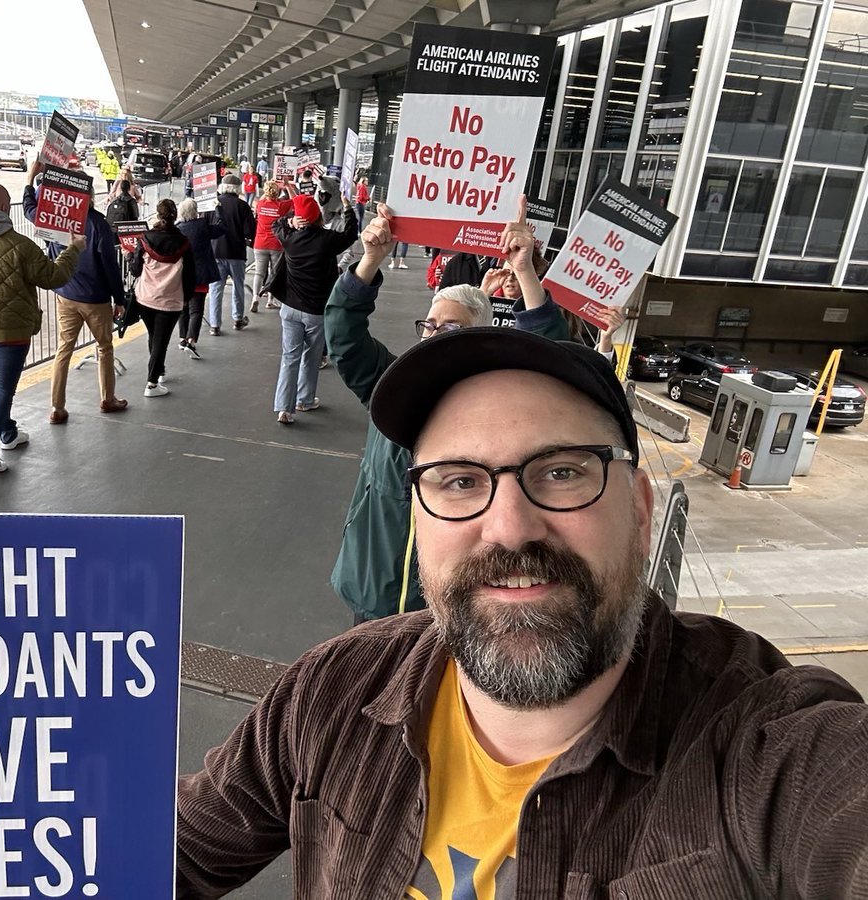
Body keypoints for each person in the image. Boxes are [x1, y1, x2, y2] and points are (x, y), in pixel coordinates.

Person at [175, 321, 868, 897]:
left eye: (562, 471)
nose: (508, 528)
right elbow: (164, 856)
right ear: (419, 516)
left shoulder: (766, 750)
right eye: (459, 481)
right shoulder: (332, 690)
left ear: (639, 510)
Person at [327, 199, 568, 623]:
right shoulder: (392, 386)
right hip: (373, 587)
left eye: (451, 327)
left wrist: (525, 272)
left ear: (479, 336)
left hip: (451, 602)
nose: (435, 334)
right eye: (430, 325)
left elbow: (555, 360)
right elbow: (344, 337)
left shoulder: (500, 408)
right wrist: (370, 260)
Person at [0, 183, 82, 472]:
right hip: (12, 329)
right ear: (4, 208)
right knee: (2, 387)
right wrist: (73, 250)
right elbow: (53, 276)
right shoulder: (20, 245)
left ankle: (8, 434)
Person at [22, 161, 128, 424]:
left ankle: (57, 408)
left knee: (64, 350)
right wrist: (119, 298)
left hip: (66, 294)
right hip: (96, 298)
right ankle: (107, 399)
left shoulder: (54, 220)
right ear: (89, 195)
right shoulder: (98, 224)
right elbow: (110, 266)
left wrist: (30, 180)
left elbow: (29, 209)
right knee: (104, 347)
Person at [269, 192, 357, 424]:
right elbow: (350, 234)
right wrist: (348, 208)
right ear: (318, 216)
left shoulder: (289, 237)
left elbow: (275, 224)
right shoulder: (326, 240)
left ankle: (284, 408)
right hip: (315, 311)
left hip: (289, 308)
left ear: (299, 218)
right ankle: (304, 400)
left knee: (290, 357)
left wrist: (290, 221)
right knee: (311, 356)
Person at [130, 198, 195, 397]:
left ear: (158, 215)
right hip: (171, 300)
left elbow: (135, 270)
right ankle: (152, 383)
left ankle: (159, 372)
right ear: (175, 216)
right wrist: (187, 298)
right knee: (161, 340)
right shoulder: (184, 243)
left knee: (154, 336)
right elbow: (190, 275)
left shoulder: (145, 239)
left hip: (145, 298)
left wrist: (129, 256)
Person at [207, 173, 255, 335]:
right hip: (236, 252)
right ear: (237, 188)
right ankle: (238, 319)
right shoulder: (243, 206)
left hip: (215, 251)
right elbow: (249, 231)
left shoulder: (213, 203)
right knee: (238, 286)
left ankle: (215, 325)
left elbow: (206, 225)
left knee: (215, 289)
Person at [177, 197, 223, 360]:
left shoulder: (178, 229)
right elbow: (221, 228)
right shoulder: (202, 225)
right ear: (195, 211)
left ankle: (182, 338)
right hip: (200, 274)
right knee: (196, 310)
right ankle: (191, 340)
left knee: (183, 308)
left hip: (182, 276)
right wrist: (218, 210)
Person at [250, 180, 292, 313]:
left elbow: (263, 198)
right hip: (276, 244)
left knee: (259, 273)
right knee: (274, 272)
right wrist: (287, 186)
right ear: (277, 193)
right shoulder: (281, 206)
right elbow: (295, 199)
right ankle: (270, 300)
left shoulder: (260, 205)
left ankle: (255, 297)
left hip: (260, 243)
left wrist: (269, 188)